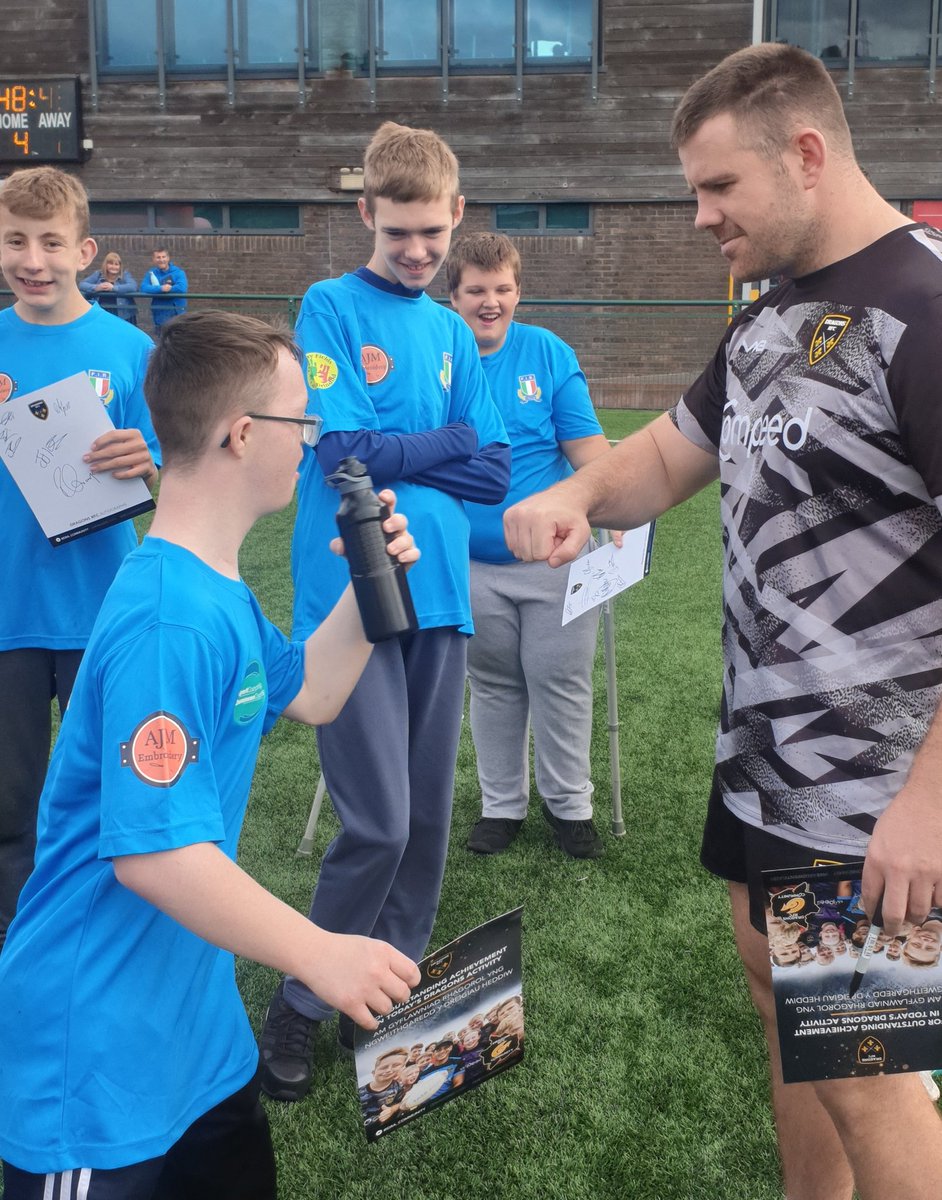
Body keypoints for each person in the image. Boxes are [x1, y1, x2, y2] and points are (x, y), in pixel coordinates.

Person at [502, 42, 942, 1200]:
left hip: (871, 783)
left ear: (806, 155)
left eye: (717, 187)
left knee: (870, 1064)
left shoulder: (928, 312)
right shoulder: (770, 315)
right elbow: (666, 457)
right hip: (761, 755)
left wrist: (931, 800)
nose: (698, 215)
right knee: (774, 991)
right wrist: (575, 493)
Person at [0, 310, 422, 1199]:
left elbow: (309, 691)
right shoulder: (169, 620)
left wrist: (368, 582)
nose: (310, 440)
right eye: (299, 421)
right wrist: (318, 951)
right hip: (97, 1054)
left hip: (197, 1032)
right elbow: (154, 858)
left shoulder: (215, 588)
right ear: (241, 435)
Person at [258, 121, 509, 1102]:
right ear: (367, 214)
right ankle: (300, 1002)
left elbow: (492, 468)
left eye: (432, 235)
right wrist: (436, 442)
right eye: (398, 232)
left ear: (456, 217)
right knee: (377, 822)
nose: (416, 252)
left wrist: (407, 446)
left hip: (441, 597)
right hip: (354, 600)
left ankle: (392, 1000)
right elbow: (337, 457)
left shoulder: (450, 328)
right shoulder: (328, 304)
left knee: (425, 825)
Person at [0, 166, 159, 952]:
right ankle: (15, 933)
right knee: (12, 789)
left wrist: (144, 457)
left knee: (104, 778)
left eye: (51, 242)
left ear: (86, 251)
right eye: (16, 241)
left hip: (100, 604)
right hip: (8, 609)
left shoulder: (129, 349)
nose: (34, 258)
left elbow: (172, 467)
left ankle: (103, 922)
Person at [447, 232, 617, 859]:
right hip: (469, 561)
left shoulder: (546, 352)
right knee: (492, 683)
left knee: (560, 678)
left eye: (501, 289)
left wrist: (613, 508)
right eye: (476, 291)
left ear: (518, 291)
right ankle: (502, 805)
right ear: (455, 296)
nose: (490, 303)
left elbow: (588, 451)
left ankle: (570, 806)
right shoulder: (438, 356)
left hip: (554, 560)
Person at [79, 249, 139, 324]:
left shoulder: (125, 274)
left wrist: (113, 288)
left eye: (116, 264)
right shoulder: (98, 274)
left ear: (120, 266)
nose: (114, 267)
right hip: (102, 312)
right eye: (111, 264)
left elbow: (133, 286)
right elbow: (82, 284)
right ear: (106, 265)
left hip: (122, 314)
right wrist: (96, 287)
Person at [140, 245, 188, 332]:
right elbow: (143, 288)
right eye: (158, 257)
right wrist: (161, 289)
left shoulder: (178, 272)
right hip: (160, 314)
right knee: (162, 340)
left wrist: (169, 289)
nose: (161, 260)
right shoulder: (151, 273)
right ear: (154, 259)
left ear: (168, 258)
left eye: (163, 257)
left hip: (177, 313)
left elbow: (182, 288)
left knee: (178, 340)